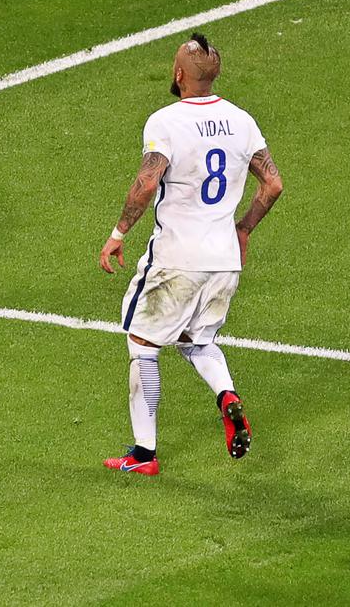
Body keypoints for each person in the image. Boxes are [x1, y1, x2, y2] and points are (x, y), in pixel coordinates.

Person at [98, 33, 283, 475]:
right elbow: (273, 184)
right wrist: (243, 228)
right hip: (223, 261)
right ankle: (227, 395)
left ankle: (143, 455)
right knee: (195, 340)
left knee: (142, 342)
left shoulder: (165, 121)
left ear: (179, 74)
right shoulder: (242, 120)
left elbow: (146, 183)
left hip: (177, 258)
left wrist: (118, 232)